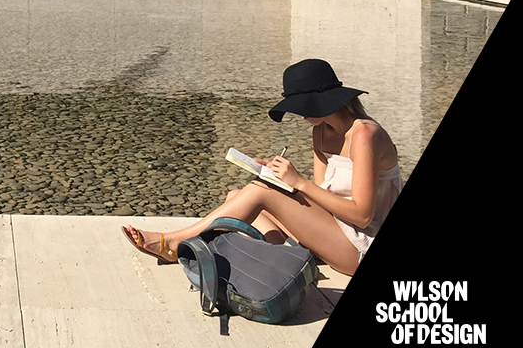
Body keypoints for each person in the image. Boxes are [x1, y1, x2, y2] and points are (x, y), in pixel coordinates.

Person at [121, 59, 402, 276]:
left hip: (360, 246)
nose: (299, 113)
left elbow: (363, 215)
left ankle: (172, 243)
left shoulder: (365, 135)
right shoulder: (321, 132)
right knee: (237, 196)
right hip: (335, 233)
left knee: (257, 193)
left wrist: (299, 183)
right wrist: (280, 179)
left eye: (301, 104)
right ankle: (286, 256)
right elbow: (321, 199)